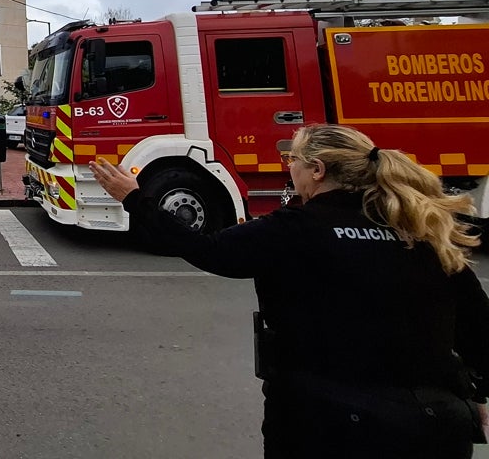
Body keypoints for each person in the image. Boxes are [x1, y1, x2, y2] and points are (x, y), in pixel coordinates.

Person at [88, 123, 489, 459]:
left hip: (326, 421)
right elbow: (477, 323)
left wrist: (136, 199)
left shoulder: (297, 227)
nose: (289, 168)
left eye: (292, 160)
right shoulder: (420, 229)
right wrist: (478, 397)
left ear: (316, 170)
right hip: (435, 421)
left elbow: (209, 250)